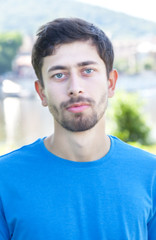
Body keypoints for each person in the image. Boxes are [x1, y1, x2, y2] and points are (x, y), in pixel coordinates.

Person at [0, 17, 156, 240]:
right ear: (41, 92)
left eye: (88, 71)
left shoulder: (151, 175)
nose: (75, 88)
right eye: (59, 75)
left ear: (110, 83)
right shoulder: (4, 179)